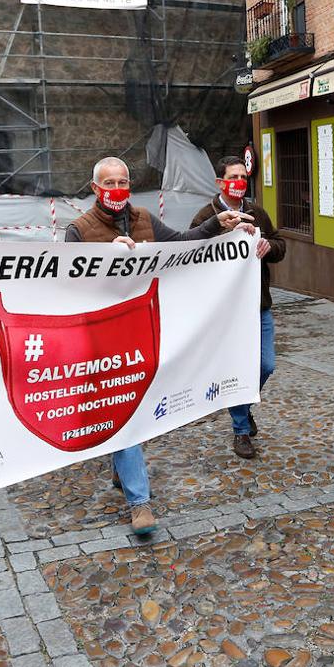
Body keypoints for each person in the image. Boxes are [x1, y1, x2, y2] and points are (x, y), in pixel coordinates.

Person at [65, 156, 252, 535]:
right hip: (103, 344)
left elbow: (181, 244)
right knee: (125, 418)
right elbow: (67, 289)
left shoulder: (145, 220)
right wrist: (102, 261)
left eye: (123, 181)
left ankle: (120, 466)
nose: (117, 189)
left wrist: (216, 224)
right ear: (95, 189)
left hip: (143, 334)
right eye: (109, 183)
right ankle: (140, 503)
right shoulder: (78, 230)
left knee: (132, 414)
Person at [191, 157, 285, 459]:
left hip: (258, 305)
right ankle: (241, 430)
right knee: (236, 368)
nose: (239, 181)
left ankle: (243, 403)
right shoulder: (206, 215)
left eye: (243, 176)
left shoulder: (257, 212)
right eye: (233, 176)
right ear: (220, 182)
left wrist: (270, 247)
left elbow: (279, 243)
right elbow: (192, 253)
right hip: (226, 311)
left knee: (265, 364)